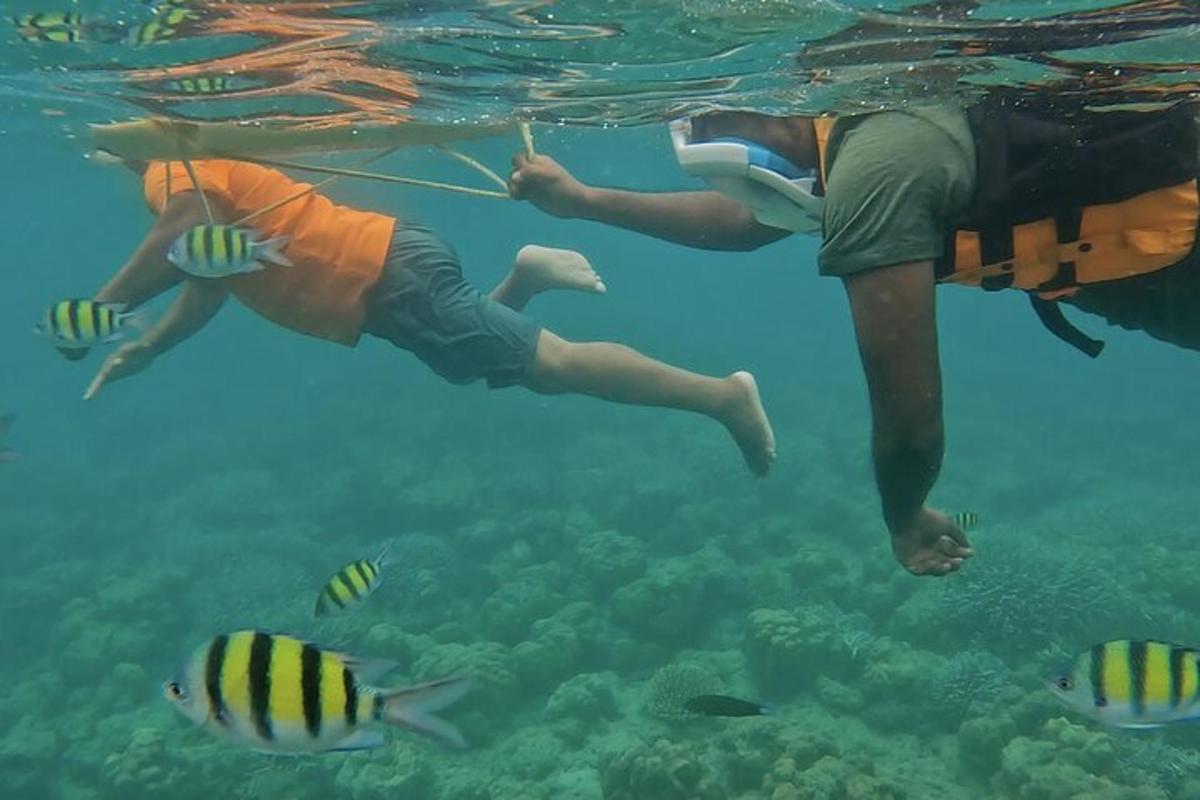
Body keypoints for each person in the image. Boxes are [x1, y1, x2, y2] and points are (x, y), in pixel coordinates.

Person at [508, 99, 1200, 576]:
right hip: (1140, 261)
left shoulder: (875, 176)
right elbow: (743, 221)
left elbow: (911, 425)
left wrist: (904, 517)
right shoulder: (854, 131)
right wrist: (584, 203)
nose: (750, 194)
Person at [77, 158, 776, 476]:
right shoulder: (198, 171)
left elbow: (183, 231)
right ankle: (524, 276)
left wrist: (96, 314)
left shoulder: (172, 170)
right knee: (468, 363)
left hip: (384, 277)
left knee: (551, 367)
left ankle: (721, 397)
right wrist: (153, 346)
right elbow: (211, 275)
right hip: (387, 270)